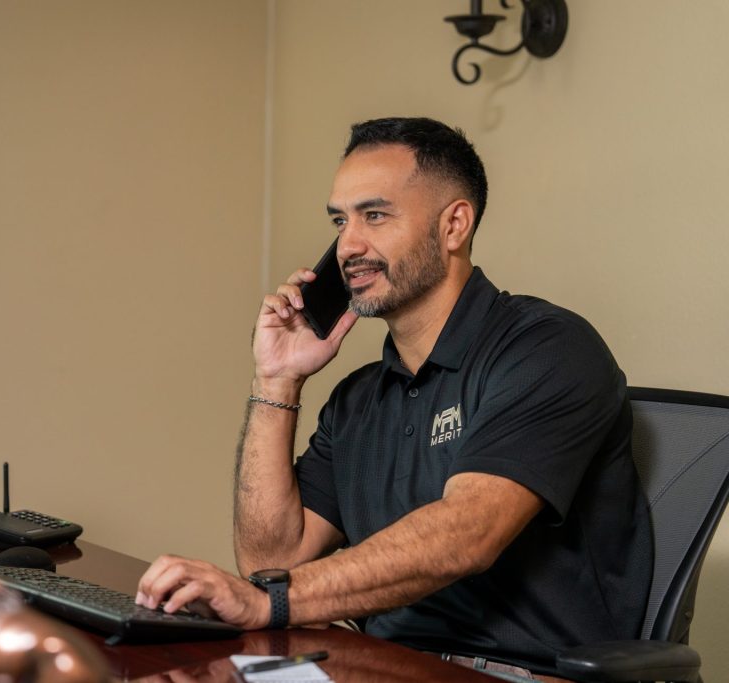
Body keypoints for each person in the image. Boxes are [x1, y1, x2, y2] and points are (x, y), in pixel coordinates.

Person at [136, 117, 653, 682]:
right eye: (341, 220)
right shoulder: (359, 399)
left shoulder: (546, 349)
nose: (348, 246)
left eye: (375, 215)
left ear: (454, 225)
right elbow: (270, 562)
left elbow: (468, 535)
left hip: (512, 672)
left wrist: (272, 601)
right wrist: (275, 381)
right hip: (376, 665)